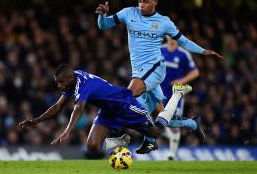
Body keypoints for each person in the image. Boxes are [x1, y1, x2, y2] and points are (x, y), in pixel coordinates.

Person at [96, 0, 223, 153]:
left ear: (155, 2)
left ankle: (122, 136)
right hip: (139, 71)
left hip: (155, 68)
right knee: (161, 118)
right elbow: (104, 26)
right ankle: (192, 124)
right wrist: (102, 15)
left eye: (146, 1)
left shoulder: (164, 22)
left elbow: (183, 41)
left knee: (127, 98)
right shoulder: (128, 13)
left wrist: (204, 51)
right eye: (140, 1)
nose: (141, 4)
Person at [19, 64, 193, 153]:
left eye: (61, 82)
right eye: (57, 82)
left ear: (70, 79)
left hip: (125, 105)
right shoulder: (71, 83)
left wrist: (67, 131)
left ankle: (177, 94)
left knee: (157, 133)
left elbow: (78, 109)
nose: (59, 86)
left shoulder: (83, 84)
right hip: (108, 111)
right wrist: (36, 120)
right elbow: (58, 106)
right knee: (92, 146)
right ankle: (121, 141)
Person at [161, 35, 200, 160]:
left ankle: (171, 154)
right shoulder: (159, 50)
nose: (172, 38)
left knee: (174, 123)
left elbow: (195, 72)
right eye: (170, 35)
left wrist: (182, 80)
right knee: (157, 119)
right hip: (159, 91)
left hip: (175, 93)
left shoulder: (183, 54)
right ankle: (182, 128)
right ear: (166, 36)